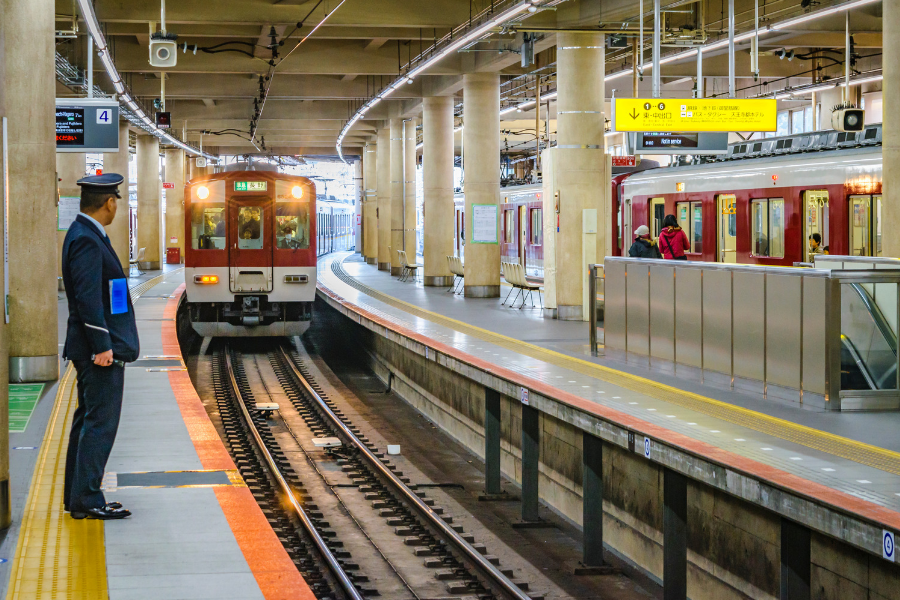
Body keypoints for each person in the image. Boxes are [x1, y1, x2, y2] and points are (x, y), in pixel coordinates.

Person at [62, 174, 139, 520]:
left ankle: (78, 497)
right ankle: (88, 498)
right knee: (99, 424)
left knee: (88, 420)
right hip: (98, 353)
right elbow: (87, 298)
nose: (116, 206)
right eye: (116, 201)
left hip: (95, 349)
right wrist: (102, 345)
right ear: (109, 203)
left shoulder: (85, 234)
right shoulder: (87, 240)